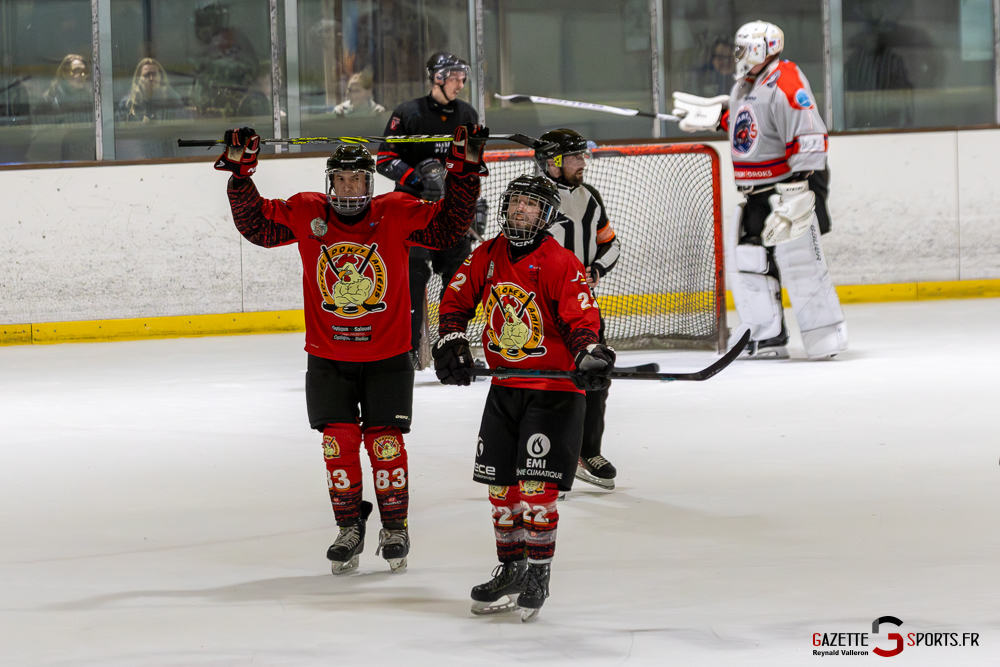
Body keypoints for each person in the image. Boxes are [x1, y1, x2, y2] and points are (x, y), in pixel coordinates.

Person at [216, 122, 488, 574]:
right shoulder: (308, 212)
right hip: (328, 356)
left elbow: (448, 227)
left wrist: (465, 171)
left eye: (357, 180)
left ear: (369, 182)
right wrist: (241, 177)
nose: (348, 188)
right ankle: (349, 526)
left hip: (387, 356)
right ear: (330, 182)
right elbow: (257, 226)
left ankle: (395, 526)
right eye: (341, 180)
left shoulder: (396, 211)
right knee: (338, 444)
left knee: (384, 444)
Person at [433, 175, 615, 621]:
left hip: (553, 391)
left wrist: (588, 353)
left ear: (546, 214)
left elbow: (580, 320)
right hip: (506, 387)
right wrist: (452, 339)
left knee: (536, 489)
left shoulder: (560, 261)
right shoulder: (488, 254)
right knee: (501, 488)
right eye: (515, 202)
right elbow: (456, 298)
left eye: (531, 206)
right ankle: (512, 567)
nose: (520, 211)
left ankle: (538, 572)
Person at [672, 21, 848, 360]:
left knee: (800, 262)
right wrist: (717, 116)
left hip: (786, 186)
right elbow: (748, 126)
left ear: (759, 49)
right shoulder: (745, 85)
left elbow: (809, 135)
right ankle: (766, 333)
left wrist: (797, 192)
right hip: (755, 191)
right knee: (751, 261)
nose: (737, 54)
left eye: (742, 47)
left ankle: (826, 335)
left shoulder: (786, 80)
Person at [376, 52, 481, 365]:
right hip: (413, 213)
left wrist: (471, 203)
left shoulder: (467, 114)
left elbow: (474, 162)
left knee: (458, 284)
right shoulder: (408, 113)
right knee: (410, 284)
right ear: (437, 77)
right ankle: (405, 354)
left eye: (463, 78)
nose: (461, 84)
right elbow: (384, 159)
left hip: (450, 214)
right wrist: (418, 179)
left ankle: (454, 347)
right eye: (454, 78)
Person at [534, 128, 621, 490]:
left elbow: (611, 244)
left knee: (595, 376)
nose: (583, 162)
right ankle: (543, 460)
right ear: (553, 162)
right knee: (545, 384)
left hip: (583, 307)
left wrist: (597, 268)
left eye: (583, 156)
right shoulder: (532, 197)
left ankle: (588, 450)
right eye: (575, 157)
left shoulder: (590, 196)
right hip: (540, 308)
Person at [190, 1, 260, 118]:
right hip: (207, 111)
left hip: (231, 108)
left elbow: (250, 68)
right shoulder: (205, 46)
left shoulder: (233, 38)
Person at [117, 58, 186, 122]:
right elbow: (119, 126)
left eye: (154, 74)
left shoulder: (172, 98)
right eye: (146, 75)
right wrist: (136, 106)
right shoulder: (127, 102)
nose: (151, 78)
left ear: (161, 77)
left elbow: (185, 121)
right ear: (138, 79)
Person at [40, 54, 92, 122]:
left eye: (85, 71)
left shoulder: (90, 96)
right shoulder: (50, 98)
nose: (82, 75)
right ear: (64, 73)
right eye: (76, 71)